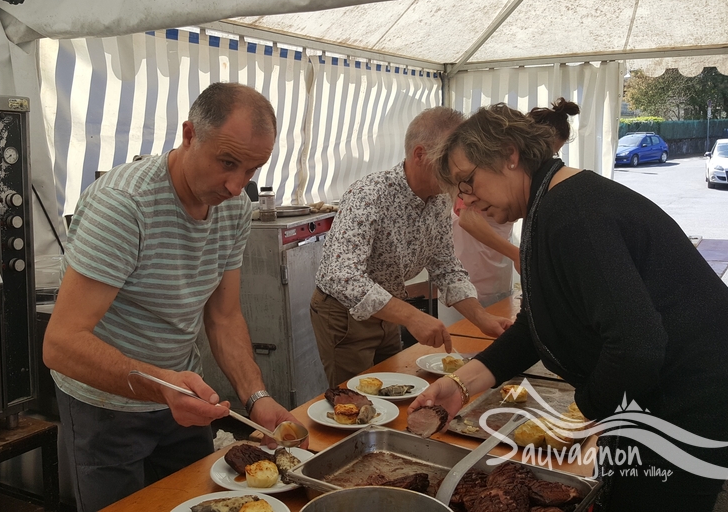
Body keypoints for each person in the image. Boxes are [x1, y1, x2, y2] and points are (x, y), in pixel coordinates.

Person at [411, 102, 728, 511]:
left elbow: (637, 345)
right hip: (666, 390)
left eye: (467, 181)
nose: (466, 200)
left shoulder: (572, 212)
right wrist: (462, 383)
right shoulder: (549, 205)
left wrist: (577, 415)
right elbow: (536, 325)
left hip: (703, 398)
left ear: (509, 154)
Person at [42, 82, 305, 512]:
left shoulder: (234, 208)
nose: (236, 185)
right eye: (227, 162)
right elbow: (61, 344)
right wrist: (161, 388)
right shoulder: (124, 205)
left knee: (198, 503)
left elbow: (223, 318)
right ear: (189, 134)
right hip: (105, 409)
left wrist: (256, 397)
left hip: (184, 396)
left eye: (252, 169)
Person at [310, 107, 512, 387]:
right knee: (356, 398)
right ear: (420, 155)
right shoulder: (369, 194)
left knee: (393, 387)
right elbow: (342, 276)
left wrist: (482, 318)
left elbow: (446, 267)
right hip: (343, 313)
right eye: (449, 160)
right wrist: (412, 316)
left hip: (388, 308)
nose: (457, 172)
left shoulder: (439, 199)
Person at [450, 99, 581, 305]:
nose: (544, 160)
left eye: (553, 154)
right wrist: (517, 254)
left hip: (499, 269)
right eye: (544, 150)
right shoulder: (476, 182)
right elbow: (466, 219)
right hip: (469, 270)